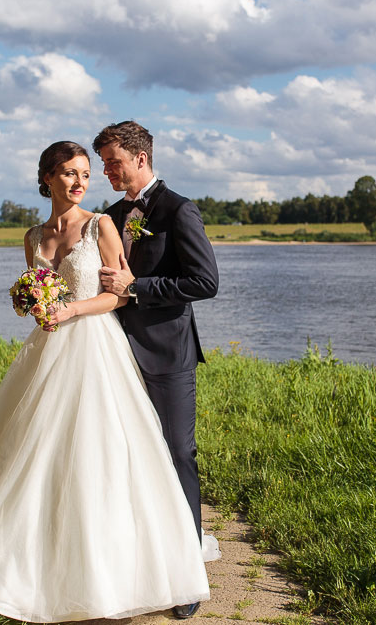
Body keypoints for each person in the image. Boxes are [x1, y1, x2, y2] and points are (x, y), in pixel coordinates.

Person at [0, 141, 210, 622]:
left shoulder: (102, 225)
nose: (80, 181)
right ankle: (27, 561)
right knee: (33, 449)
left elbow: (119, 294)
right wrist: (32, 304)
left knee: (98, 452)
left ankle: (122, 566)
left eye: (85, 174)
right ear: (47, 179)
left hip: (94, 347)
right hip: (47, 350)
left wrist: (72, 308)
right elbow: (36, 286)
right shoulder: (33, 235)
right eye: (69, 173)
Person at [94, 121, 219, 620]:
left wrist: (137, 286)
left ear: (140, 157)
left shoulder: (177, 209)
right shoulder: (109, 214)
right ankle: (139, 560)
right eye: (103, 163)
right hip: (116, 353)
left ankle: (187, 572)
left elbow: (204, 281)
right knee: (129, 457)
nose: (106, 171)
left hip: (167, 355)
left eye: (113, 162)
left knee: (178, 454)